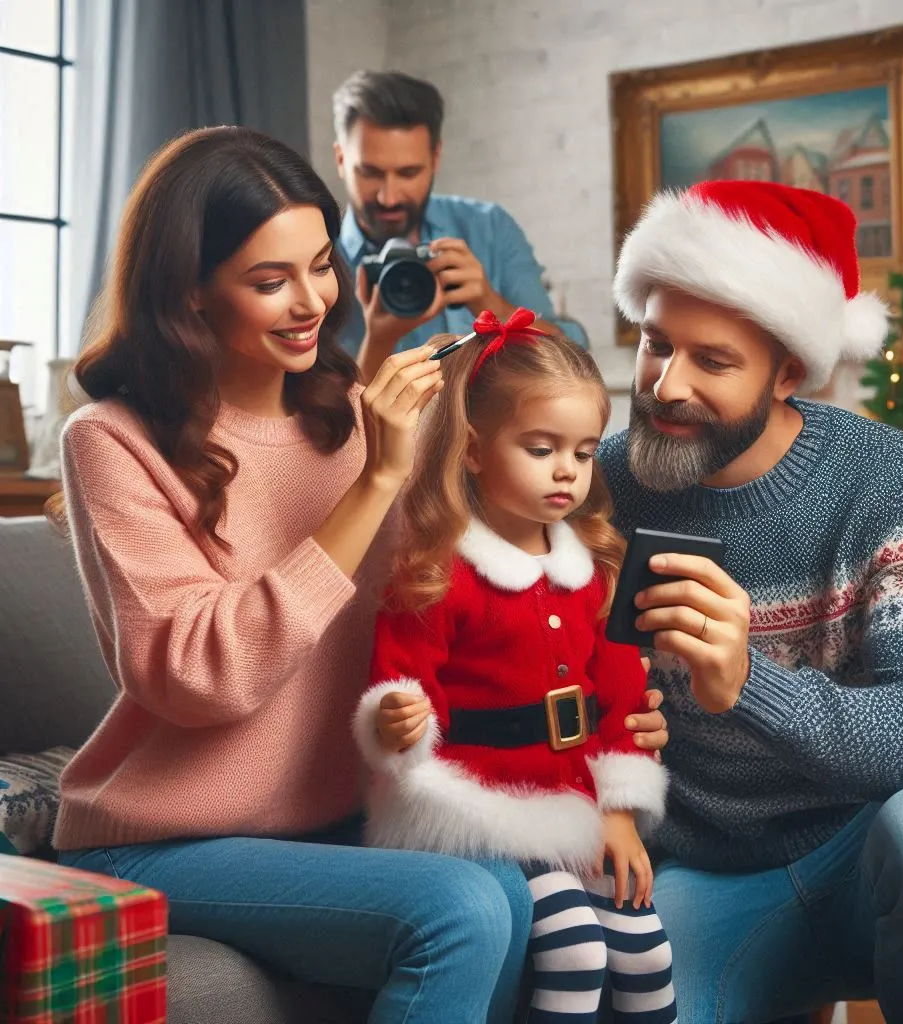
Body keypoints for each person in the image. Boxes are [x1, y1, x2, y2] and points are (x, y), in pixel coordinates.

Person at [48, 126, 669, 1023]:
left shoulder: (353, 409)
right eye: (270, 281)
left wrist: (598, 715)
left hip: (346, 816)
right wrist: (378, 479)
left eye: (320, 266)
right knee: (459, 907)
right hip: (165, 837)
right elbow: (198, 676)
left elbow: (456, 609)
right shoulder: (111, 441)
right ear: (188, 291)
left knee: (518, 894)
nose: (311, 302)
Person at [597, 179, 903, 1023]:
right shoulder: (603, 484)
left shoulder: (901, 484)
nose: (666, 385)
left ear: (789, 371)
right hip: (699, 876)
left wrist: (747, 683)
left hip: (860, 859)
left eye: (712, 361)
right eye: (655, 345)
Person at [352, 311, 677, 1024]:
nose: (568, 470)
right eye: (541, 448)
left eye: (585, 452)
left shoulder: (593, 570)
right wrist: (397, 719)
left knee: (648, 955)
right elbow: (399, 688)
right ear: (473, 449)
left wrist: (618, 816)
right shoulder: (437, 572)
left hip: (581, 810)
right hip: (487, 814)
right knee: (576, 951)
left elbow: (623, 701)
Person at [332, 70, 587, 378]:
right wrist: (379, 341)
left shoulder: (489, 228)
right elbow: (326, 423)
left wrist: (489, 303)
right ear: (341, 160)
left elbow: (571, 367)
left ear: (436, 157)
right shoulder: (319, 260)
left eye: (408, 173)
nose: (389, 197)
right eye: (370, 173)